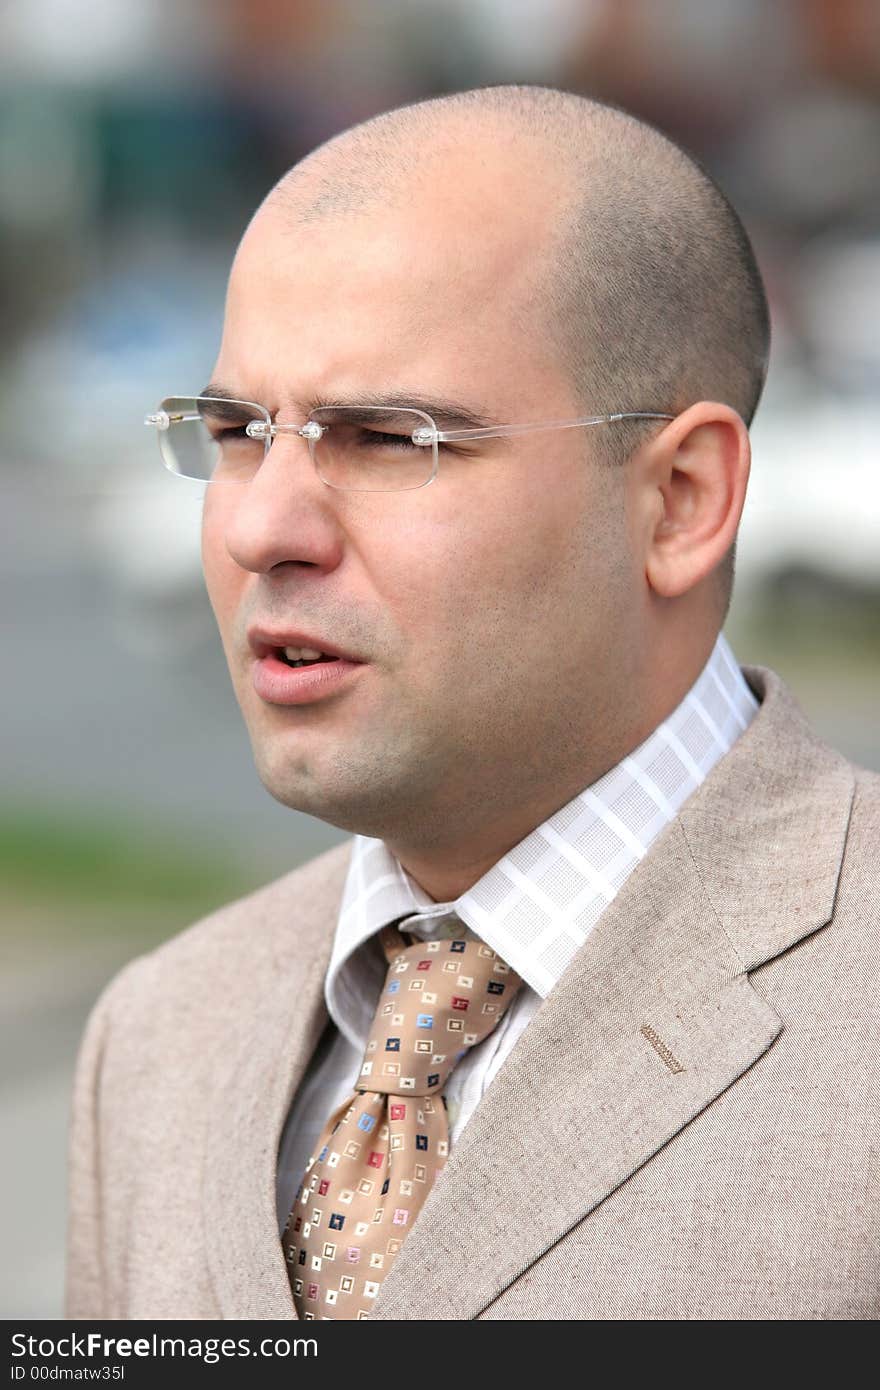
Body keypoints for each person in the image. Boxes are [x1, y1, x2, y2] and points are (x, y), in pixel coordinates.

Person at [64, 84, 879, 1321]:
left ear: (680, 501)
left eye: (389, 437)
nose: (260, 526)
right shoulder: (159, 1037)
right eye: (234, 428)